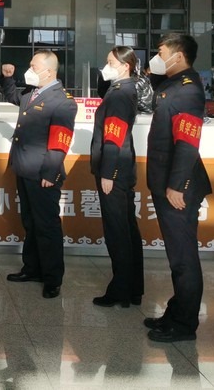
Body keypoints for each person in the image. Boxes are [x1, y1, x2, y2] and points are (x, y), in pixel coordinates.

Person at [143, 33, 211, 342]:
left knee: (183, 258)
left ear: (178, 56)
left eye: (161, 53)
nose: (156, 58)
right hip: (166, 182)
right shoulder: (172, 85)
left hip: (178, 187)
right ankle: (176, 312)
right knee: (176, 256)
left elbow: (187, 143)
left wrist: (177, 185)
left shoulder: (188, 91)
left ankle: (185, 325)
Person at [0, 51, 77, 298]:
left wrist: (50, 173)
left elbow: (60, 142)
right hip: (24, 167)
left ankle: (52, 278)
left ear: (49, 72)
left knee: (47, 226)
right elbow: (14, 97)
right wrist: (8, 79)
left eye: (34, 66)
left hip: (43, 172)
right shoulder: (31, 92)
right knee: (30, 222)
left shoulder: (63, 101)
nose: (29, 70)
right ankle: (32, 268)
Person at [90, 46, 144, 308]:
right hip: (121, 169)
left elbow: (114, 137)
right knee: (127, 229)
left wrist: (108, 172)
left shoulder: (121, 94)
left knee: (118, 232)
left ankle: (121, 289)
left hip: (115, 171)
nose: (106, 66)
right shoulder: (120, 89)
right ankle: (133, 288)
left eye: (111, 62)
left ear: (125, 66)